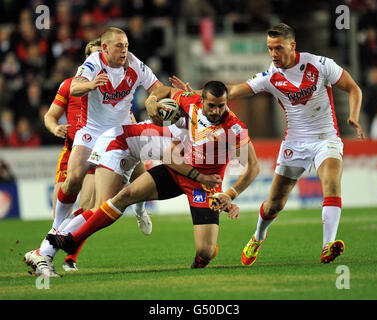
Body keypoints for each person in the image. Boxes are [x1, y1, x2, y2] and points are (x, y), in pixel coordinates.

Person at [167, 23, 366, 265]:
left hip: (326, 138)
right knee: (274, 205)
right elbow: (231, 90)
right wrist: (198, 94)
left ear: (292, 46)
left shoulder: (321, 65)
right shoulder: (270, 76)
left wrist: (354, 114)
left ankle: (327, 246)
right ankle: (258, 237)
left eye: (278, 48)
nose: (273, 54)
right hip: (295, 143)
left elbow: (353, 88)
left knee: (331, 184)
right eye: (270, 48)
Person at [47, 81, 260, 269]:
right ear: (202, 101)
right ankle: (74, 238)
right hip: (177, 171)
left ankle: (203, 258)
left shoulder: (234, 129)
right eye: (211, 106)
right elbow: (166, 90)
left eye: (221, 106)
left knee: (205, 250)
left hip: (203, 187)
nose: (216, 111)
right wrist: (152, 100)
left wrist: (230, 194)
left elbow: (252, 167)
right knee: (125, 195)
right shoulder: (190, 102)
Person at [25, 27, 162, 276]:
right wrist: (88, 86)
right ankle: (52, 245)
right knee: (81, 187)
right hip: (92, 132)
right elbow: (72, 90)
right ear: (103, 50)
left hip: (122, 133)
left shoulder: (134, 65)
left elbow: (158, 88)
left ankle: (139, 210)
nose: (124, 50)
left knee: (133, 185)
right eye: (118, 46)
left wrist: (158, 99)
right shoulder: (90, 66)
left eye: (126, 45)